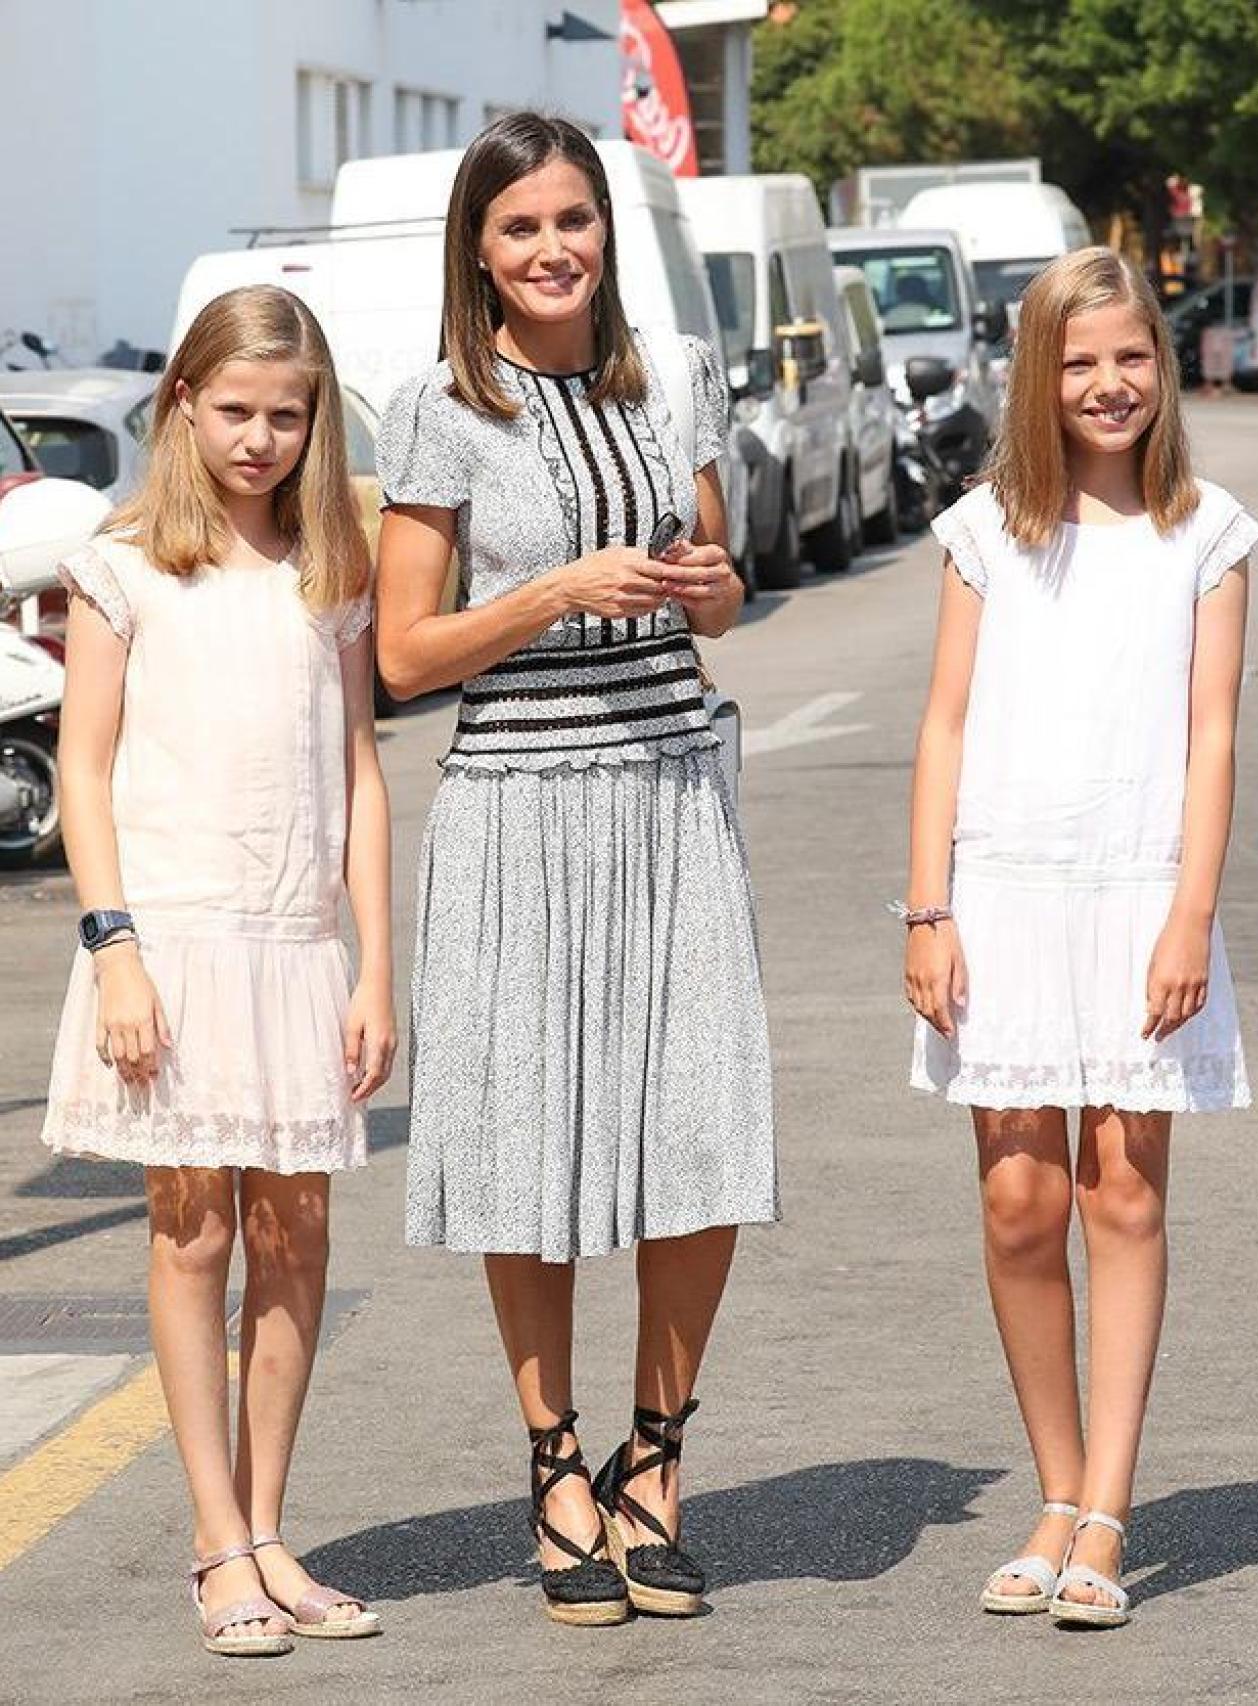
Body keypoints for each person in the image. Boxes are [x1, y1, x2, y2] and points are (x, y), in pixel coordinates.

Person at [376, 112, 777, 1627]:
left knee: (703, 1123)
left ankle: (656, 1460)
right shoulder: (436, 407)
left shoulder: (677, 373)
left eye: (575, 222)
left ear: (607, 229)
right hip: (519, 807)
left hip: (674, 789)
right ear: (477, 248)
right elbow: (408, 655)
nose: (554, 251)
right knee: (530, 1147)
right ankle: (553, 1463)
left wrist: (711, 585)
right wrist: (551, 589)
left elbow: (726, 593)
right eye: (522, 227)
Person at [903, 247, 1258, 1629]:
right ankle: (1052, 1490)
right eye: (1079, 361)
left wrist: (1190, 911)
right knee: (1017, 1198)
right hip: (1000, 894)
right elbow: (940, 725)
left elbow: (1215, 733)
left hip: (1137, 895)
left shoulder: (1207, 532)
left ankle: (1104, 1507)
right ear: (1037, 378)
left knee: (1123, 1189)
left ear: (1161, 369)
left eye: (1131, 357)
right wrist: (928, 908)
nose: (1108, 384)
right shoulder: (986, 529)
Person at [41, 286, 396, 1657]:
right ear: (182, 402)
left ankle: (269, 1523)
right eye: (237, 409)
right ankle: (214, 1537)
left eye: (288, 417)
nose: (261, 439)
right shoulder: (126, 564)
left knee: (295, 1236)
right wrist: (114, 946)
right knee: (191, 1233)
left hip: (299, 942)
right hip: (172, 945)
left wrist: (375, 966)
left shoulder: (332, 569)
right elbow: (83, 767)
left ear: (316, 425)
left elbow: (361, 772)